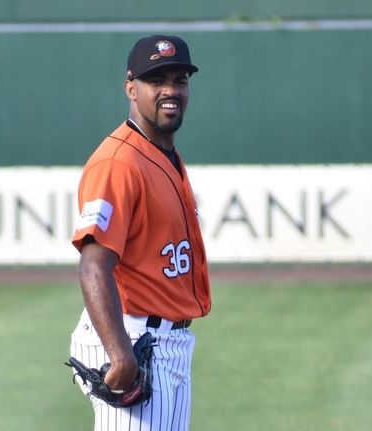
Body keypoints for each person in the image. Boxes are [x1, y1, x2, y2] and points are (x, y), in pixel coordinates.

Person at [69, 34, 211, 430]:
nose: (170, 91)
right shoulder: (117, 163)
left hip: (164, 339)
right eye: (156, 80)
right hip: (134, 338)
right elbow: (93, 265)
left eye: (179, 80)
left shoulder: (162, 152)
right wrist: (121, 356)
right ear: (131, 87)